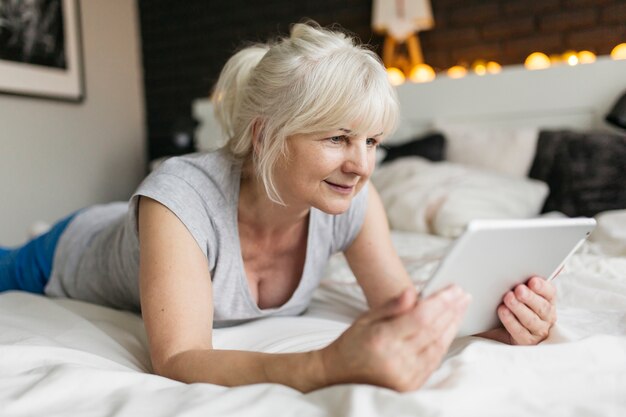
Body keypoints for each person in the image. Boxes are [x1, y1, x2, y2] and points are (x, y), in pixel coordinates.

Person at [0, 22, 557, 392]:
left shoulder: (355, 199)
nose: (362, 166)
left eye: (372, 142)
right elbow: (178, 360)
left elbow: (400, 307)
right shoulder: (179, 197)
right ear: (266, 136)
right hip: (64, 254)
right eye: (338, 138)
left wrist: (496, 323)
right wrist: (323, 365)